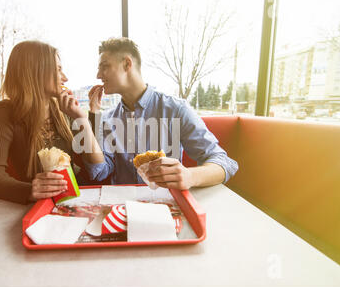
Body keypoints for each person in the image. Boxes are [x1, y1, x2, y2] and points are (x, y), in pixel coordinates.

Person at [85, 37, 238, 190]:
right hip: (121, 207)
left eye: (104, 66)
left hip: (166, 204)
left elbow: (224, 162)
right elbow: (100, 172)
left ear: (127, 64)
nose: (98, 75)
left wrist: (190, 176)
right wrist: (92, 116)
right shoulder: (107, 119)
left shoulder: (176, 110)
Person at [0, 40, 103, 204]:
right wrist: (30, 190)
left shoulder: (63, 108)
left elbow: (97, 163)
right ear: (36, 71)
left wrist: (81, 118)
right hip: (39, 204)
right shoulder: (4, 112)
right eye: (58, 70)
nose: (65, 78)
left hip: (78, 197)